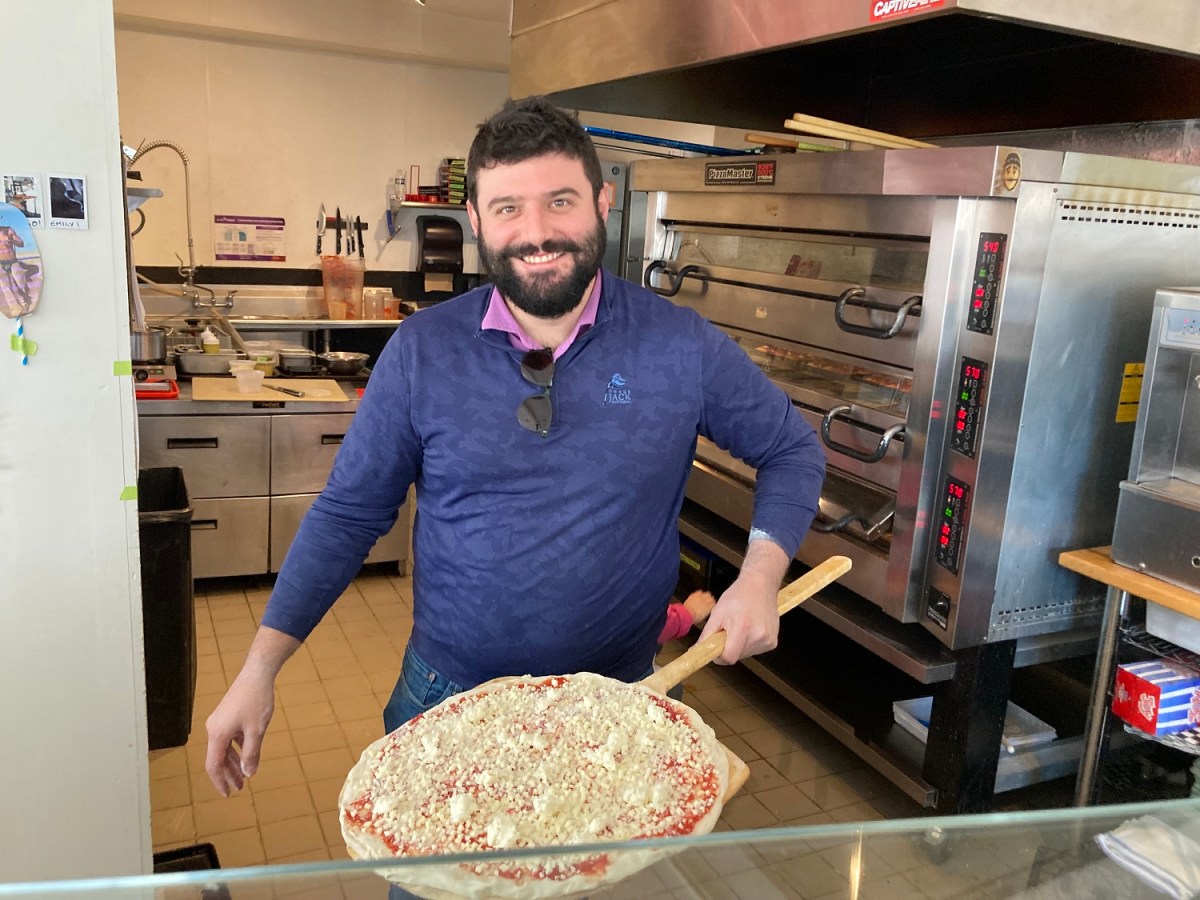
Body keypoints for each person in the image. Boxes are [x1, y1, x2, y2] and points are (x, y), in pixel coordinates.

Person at [205, 96, 825, 797]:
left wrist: (760, 577)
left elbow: (790, 451)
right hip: (448, 698)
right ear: (476, 221)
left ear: (601, 200)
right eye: (507, 209)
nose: (536, 233)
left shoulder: (681, 344)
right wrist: (259, 669)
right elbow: (349, 514)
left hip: (619, 700)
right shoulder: (421, 351)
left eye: (559, 201)